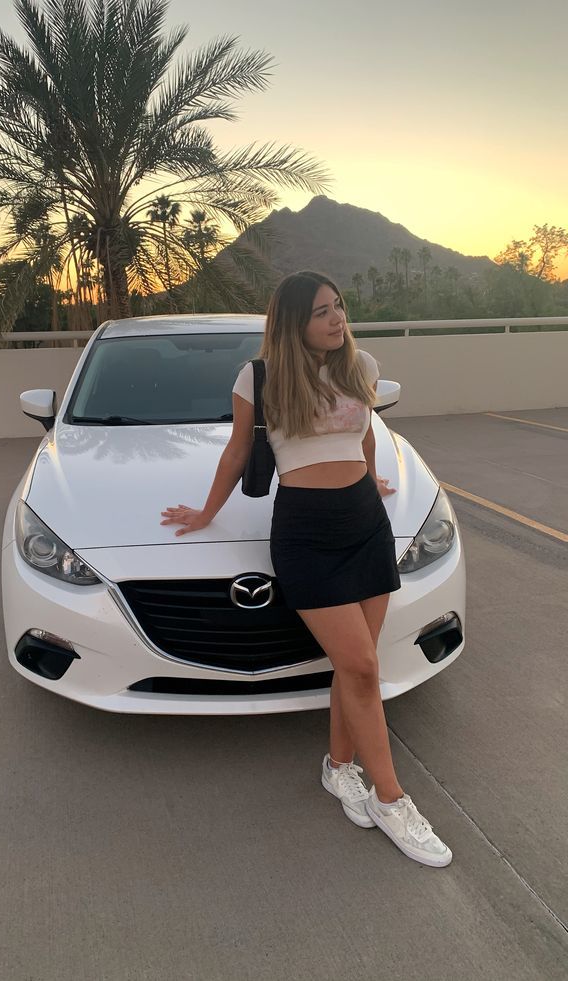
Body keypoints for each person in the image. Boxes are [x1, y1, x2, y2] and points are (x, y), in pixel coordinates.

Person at [160, 270, 452, 868]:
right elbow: (240, 449)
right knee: (363, 668)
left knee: (356, 668)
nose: (337, 319)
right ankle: (392, 800)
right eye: (322, 312)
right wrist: (206, 511)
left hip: (365, 524)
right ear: (294, 321)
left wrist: (371, 478)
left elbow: (365, 434)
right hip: (306, 532)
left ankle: (339, 769)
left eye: (338, 307)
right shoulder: (259, 377)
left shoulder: (360, 365)